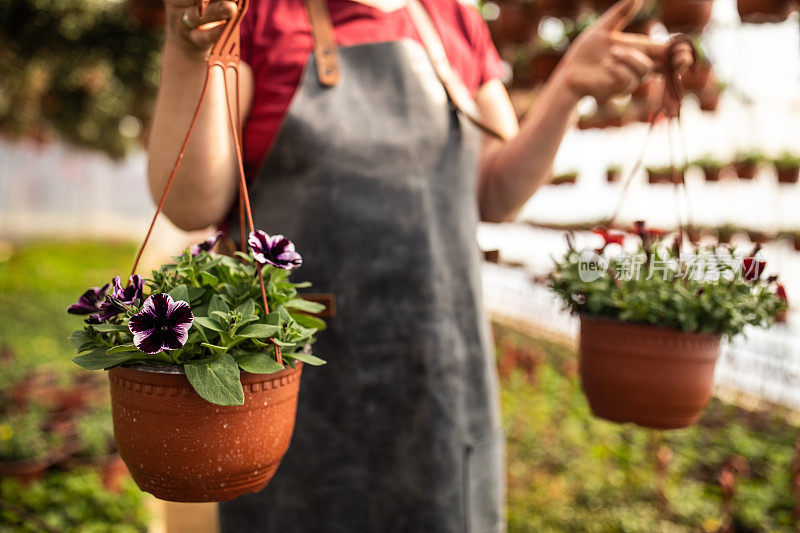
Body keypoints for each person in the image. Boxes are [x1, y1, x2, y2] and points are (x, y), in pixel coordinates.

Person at [147, 0, 691, 530]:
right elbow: (192, 204)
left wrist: (568, 85)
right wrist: (186, 47)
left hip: (440, 380)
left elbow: (495, 191)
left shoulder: (453, 19)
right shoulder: (259, 16)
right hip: (295, 385)